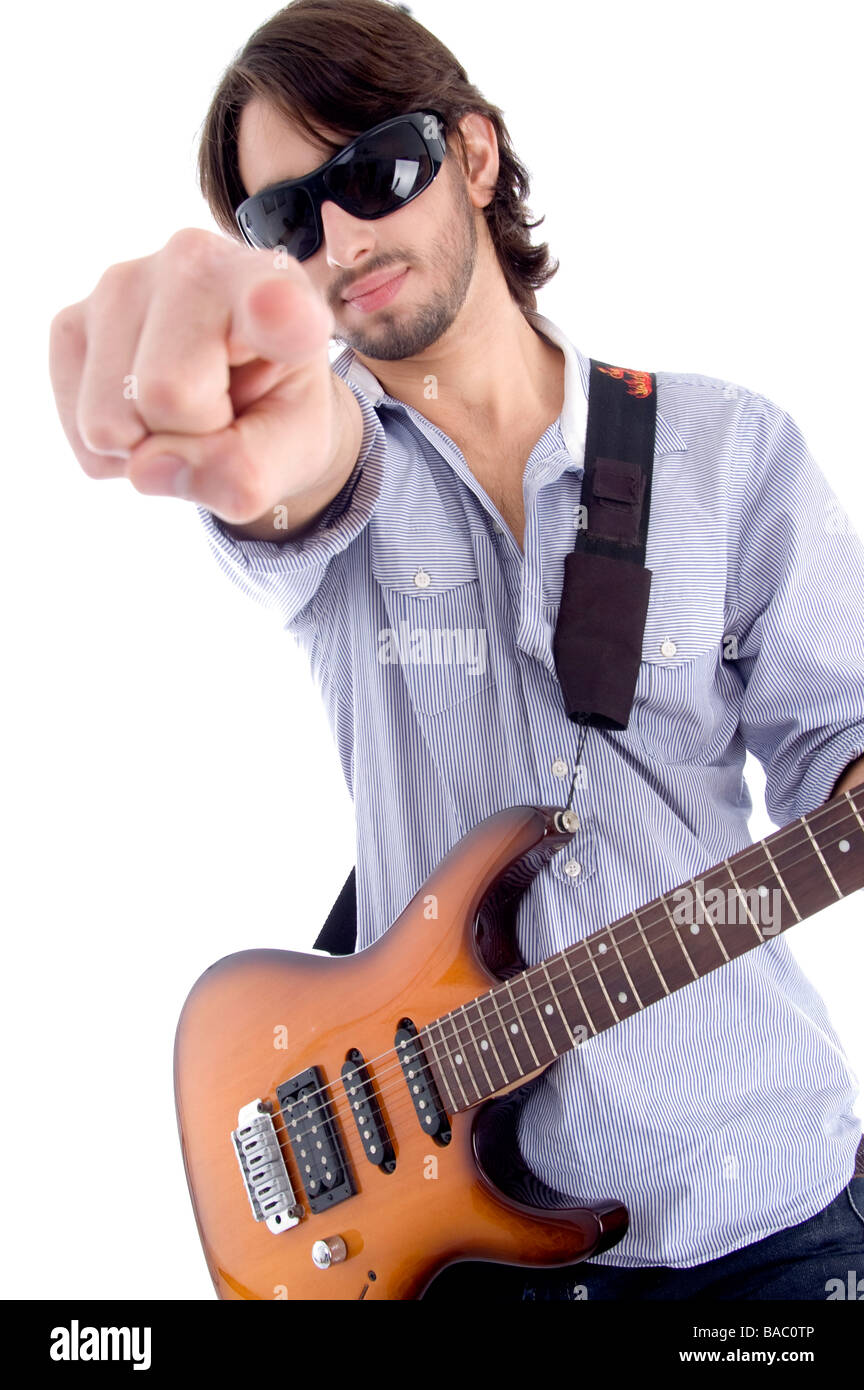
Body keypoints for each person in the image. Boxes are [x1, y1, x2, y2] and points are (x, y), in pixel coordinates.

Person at [49, 0, 864, 1300]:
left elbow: (841, 736)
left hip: (763, 1200)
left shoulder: (730, 449)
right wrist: (242, 429)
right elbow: (295, 477)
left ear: (474, 157)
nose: (344, 240)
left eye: (375, 172)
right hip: (467, 1246)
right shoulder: (340, 463)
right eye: (286, 221)